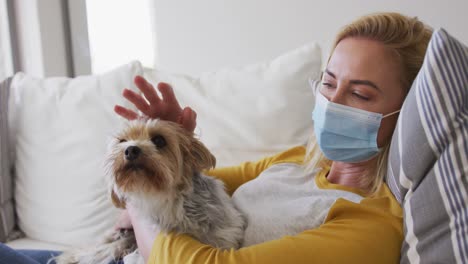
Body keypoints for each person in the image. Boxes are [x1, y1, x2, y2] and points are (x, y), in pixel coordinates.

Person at [0, 12, 432, 264]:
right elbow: (195, 181)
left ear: (408, 110)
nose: (333, 102)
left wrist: (140, 199)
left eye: (359, 93)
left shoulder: (370, 225)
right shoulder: (301, 161)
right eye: (328, 82)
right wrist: (173, 145)